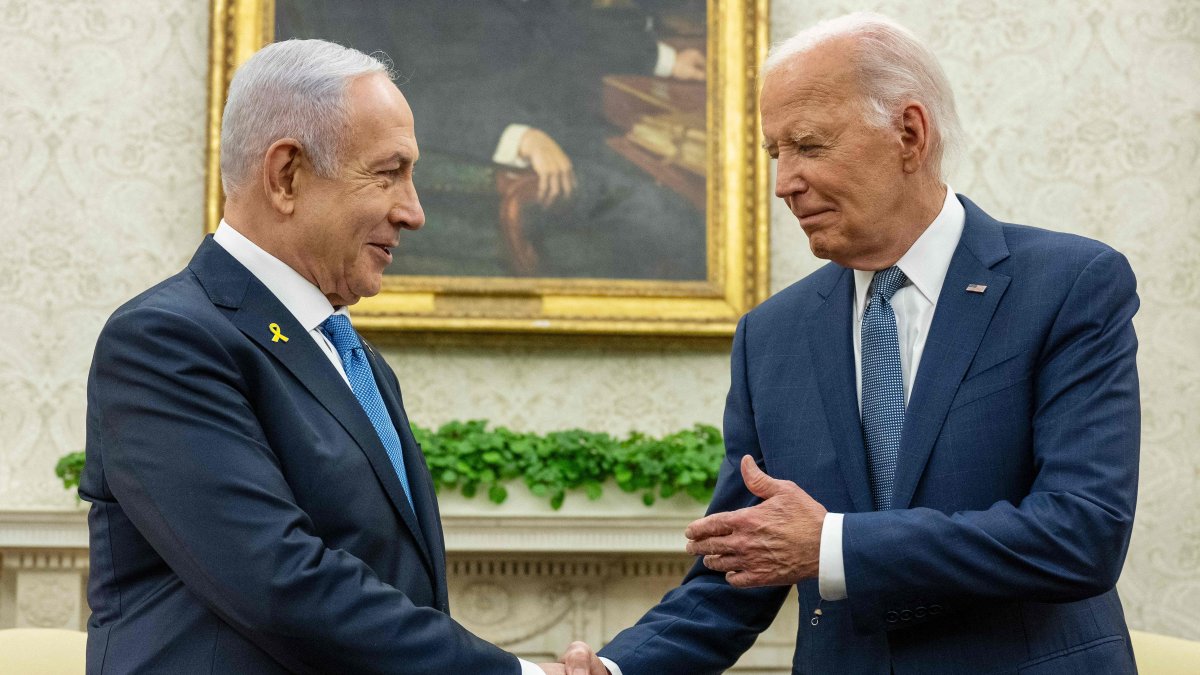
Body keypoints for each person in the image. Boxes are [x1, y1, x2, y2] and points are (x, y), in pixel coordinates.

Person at [570, 12, 1141, 674]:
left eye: (809, 147)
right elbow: (738, 569)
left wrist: (834, 545)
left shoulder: (1068, 285)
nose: (784, 183)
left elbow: (1081, 534)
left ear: (909, 133)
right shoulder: (771, 336)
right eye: (774, 153)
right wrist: (611, 669)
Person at [80, 39, 605, 675]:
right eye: (388, 174)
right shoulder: (166, 340)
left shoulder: (352, 357)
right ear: (286, 176)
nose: (413, 212)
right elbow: (280, 583)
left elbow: (390, 584)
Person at [275, 0, 707, 280]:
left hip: (563, 127)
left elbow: (557, 22)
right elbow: (373, 97)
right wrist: (515, 136)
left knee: (681, 188)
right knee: (666, 216)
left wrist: (664, 58)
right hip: (482, 145)